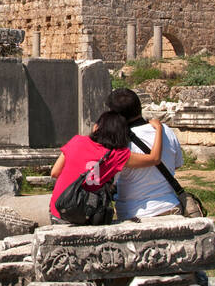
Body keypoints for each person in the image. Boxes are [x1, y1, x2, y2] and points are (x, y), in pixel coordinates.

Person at [48, 111, 167, 221]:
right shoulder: (117, 155)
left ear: (96, 127)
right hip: (85, 214)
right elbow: (154, 159)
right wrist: (159, 128)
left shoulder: (77, 140)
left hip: (59, 209)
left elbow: (55, 172)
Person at [107, 87, 185, 219]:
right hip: (169, 206)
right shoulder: (166, 130)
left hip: (133, 212)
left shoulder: (119, 143)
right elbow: (176, 164)